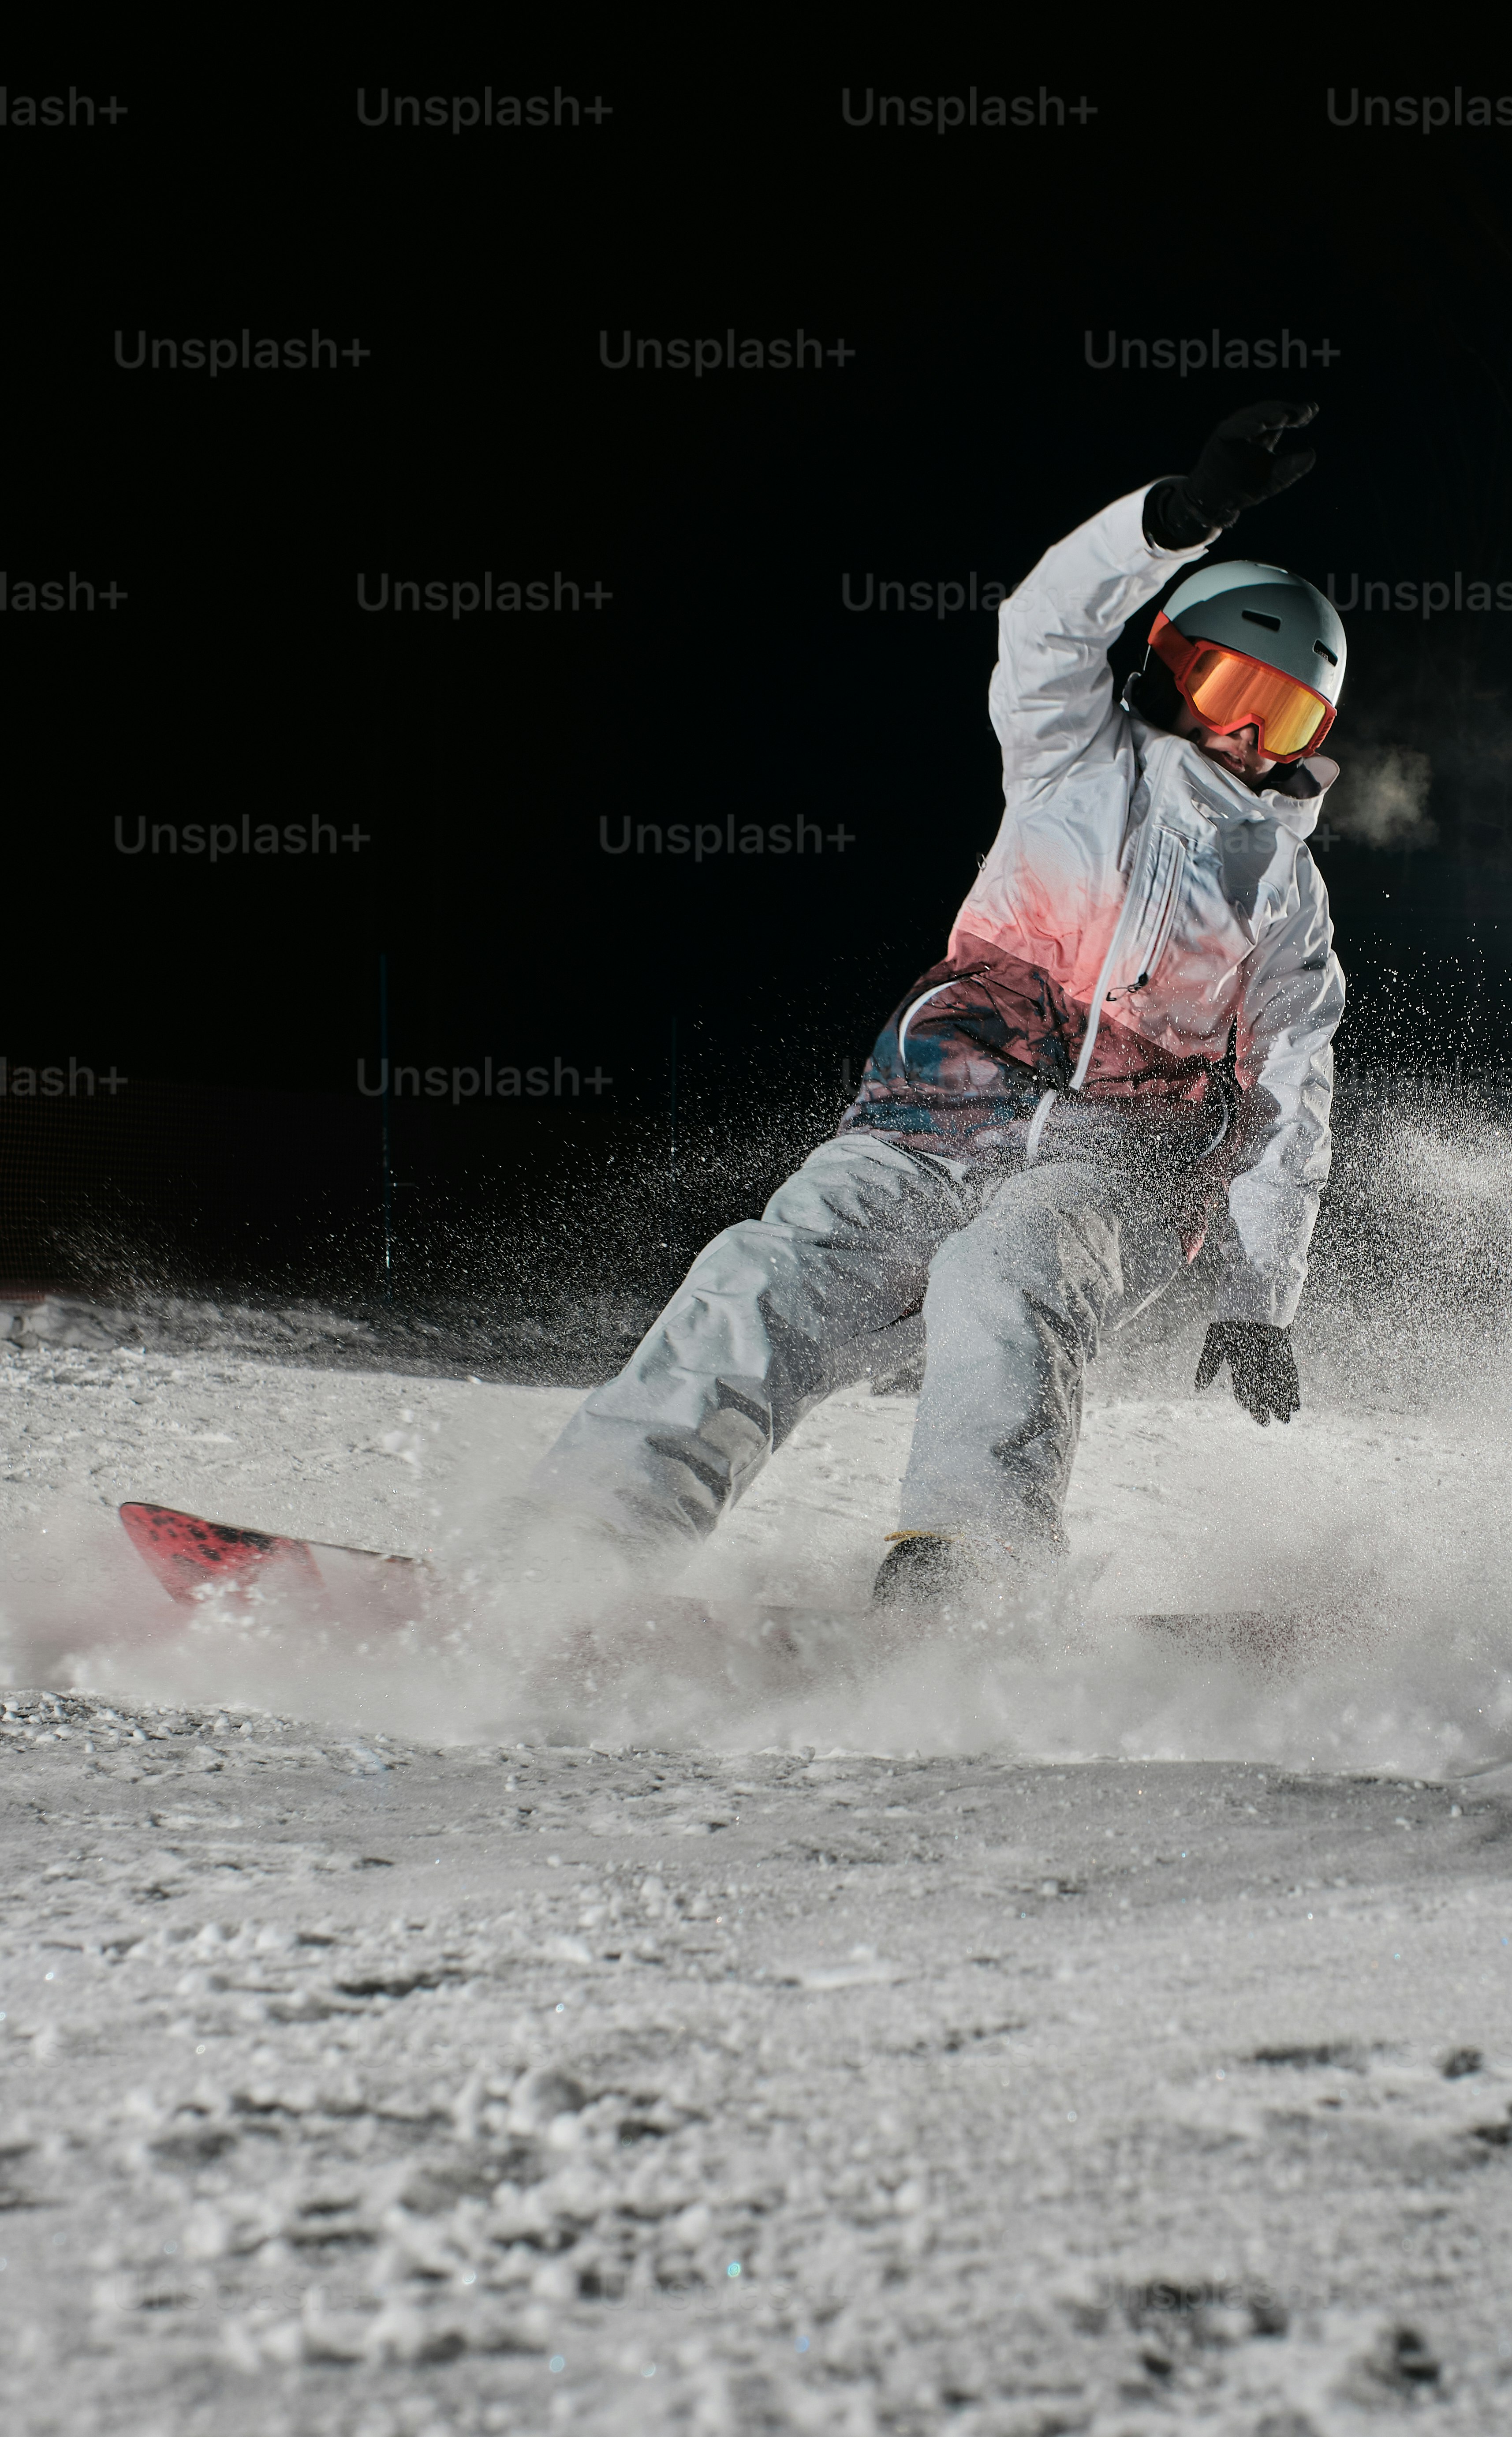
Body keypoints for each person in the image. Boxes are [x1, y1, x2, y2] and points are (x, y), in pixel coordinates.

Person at [524, 401, 1348, 1612]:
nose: (1238, 731)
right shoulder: (1075, 756)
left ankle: (970, 1570)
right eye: (1226, 684)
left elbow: (1292, 1085)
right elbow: (1044, 620)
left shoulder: (1281, 886)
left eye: (1277, 716)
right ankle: (583, 1546)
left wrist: (1257, 1292)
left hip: (1118, 1169)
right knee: (763, 1275)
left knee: (1004, 1273)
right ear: (1170, 667)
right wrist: (1180, 519)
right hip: (930, 1117)